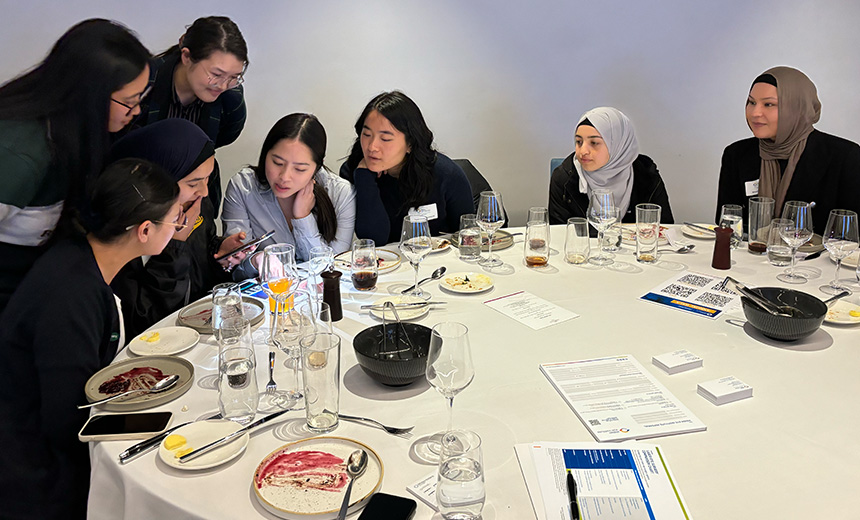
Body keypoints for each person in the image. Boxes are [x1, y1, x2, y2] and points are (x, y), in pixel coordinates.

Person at [0, 158, 181, 519]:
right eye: (176, 218)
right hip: (34, 474)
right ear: (144, 230)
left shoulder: (80, 257)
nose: (179, 226)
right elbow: (67, 418)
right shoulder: (70, 296)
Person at [0, 18, 150, 313]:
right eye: (130, 102)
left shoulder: (72, 133)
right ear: (89, 94)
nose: (137, 111)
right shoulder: (19, 155)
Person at [110, 119, 247, 337]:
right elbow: (146, 320)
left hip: (200, 330)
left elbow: (199, 269)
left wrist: (219, 251)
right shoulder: (126, 226)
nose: (203, 191)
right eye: (193, 183)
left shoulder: (194, 204)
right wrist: (175, 244)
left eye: (208, 178)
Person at [715, 66, 860, 234]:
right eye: (751, 102)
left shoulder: (845, 157)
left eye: (768, 104)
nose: (755, 113)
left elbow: (853, 237)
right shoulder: (737, 154)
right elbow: (727, 228)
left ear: (796, 108)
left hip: (816, 259)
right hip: (750, 258)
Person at [134, 16, 248, 214]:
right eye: (216, 74)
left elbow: (225, 136)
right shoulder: (142, 84)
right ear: (186, 56)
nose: (222, 86)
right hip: (139, 191)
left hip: (197, 197)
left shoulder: (231, 99)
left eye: (233, 77)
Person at [223, 113, 356, 278]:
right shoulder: (243, 187)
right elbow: (233, 268)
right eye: (277, 163)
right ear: (265, 155)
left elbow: (333, 271)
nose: (284, 177)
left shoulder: (341, 193)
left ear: (316, 168)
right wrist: (256, 260)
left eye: (299, 169)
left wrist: (303, 218)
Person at [339, 91, 474, 245]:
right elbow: (373, 240)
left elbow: (468, 235)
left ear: (410, 143)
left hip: (438, 263)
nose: (372, 147)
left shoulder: (445, 174)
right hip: (386, 264)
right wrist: (365, 178)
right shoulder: (354, 173)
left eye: (385, 139)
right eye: (367, 134)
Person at [549, 107, 674, 230]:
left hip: (637, 250)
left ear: (618, 145)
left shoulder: (646, 173)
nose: (583, 151)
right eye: (579, 142)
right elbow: (558, 234)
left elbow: (664, 228)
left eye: (594, 143)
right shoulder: (563, 178)